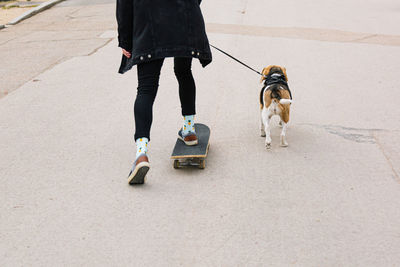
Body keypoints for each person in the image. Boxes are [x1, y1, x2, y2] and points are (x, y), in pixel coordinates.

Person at [116, 0, 212, 184]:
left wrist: (125, 40)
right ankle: (189, 130)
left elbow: (124, 5)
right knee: (184, 72)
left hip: (148, 26)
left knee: (146, 88)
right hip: (183, 20)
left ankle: (141, 153)